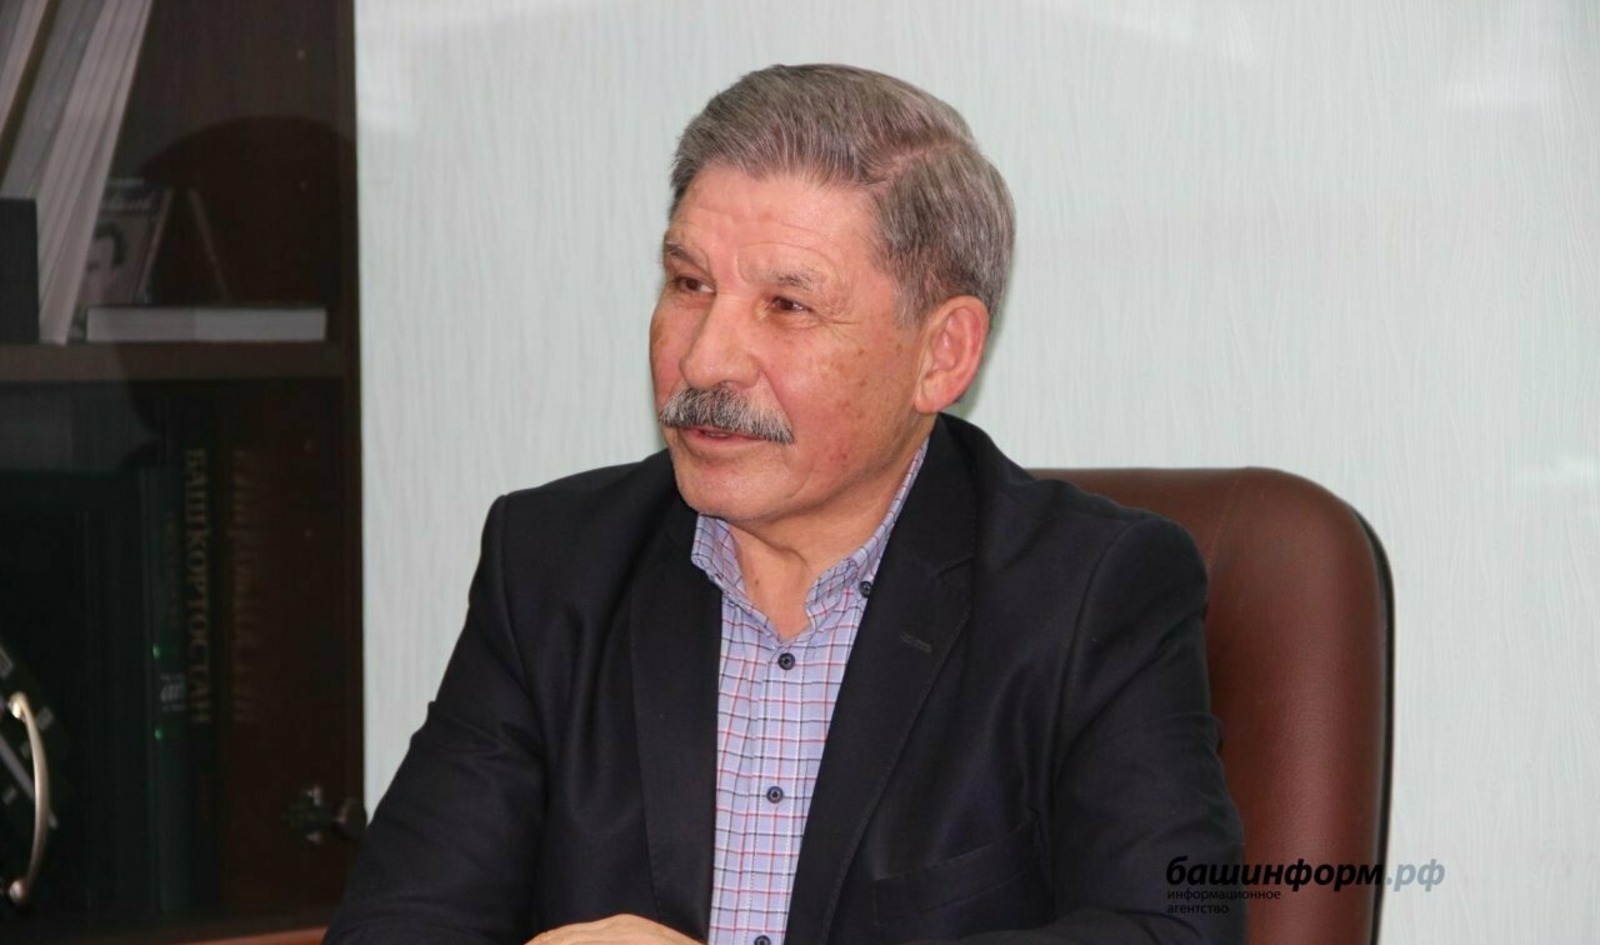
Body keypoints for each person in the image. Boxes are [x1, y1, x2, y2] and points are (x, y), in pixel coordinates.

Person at [326, 64, 1244, 945]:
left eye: (787, 305)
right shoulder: (553, 565)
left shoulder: (1090, 594)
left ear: (943, 354)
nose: (704, 360)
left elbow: (1175, 929)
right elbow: (399, 923)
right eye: (690, 284)